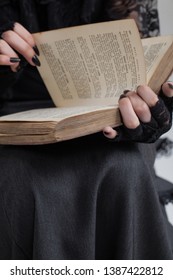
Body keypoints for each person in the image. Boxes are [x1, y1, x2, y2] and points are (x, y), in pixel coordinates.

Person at [0, 0, 173, 260]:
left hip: (105, 113)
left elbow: (145, 73)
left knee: (125, 168)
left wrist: (148, 109)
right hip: (10, 115)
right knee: (24, 182)